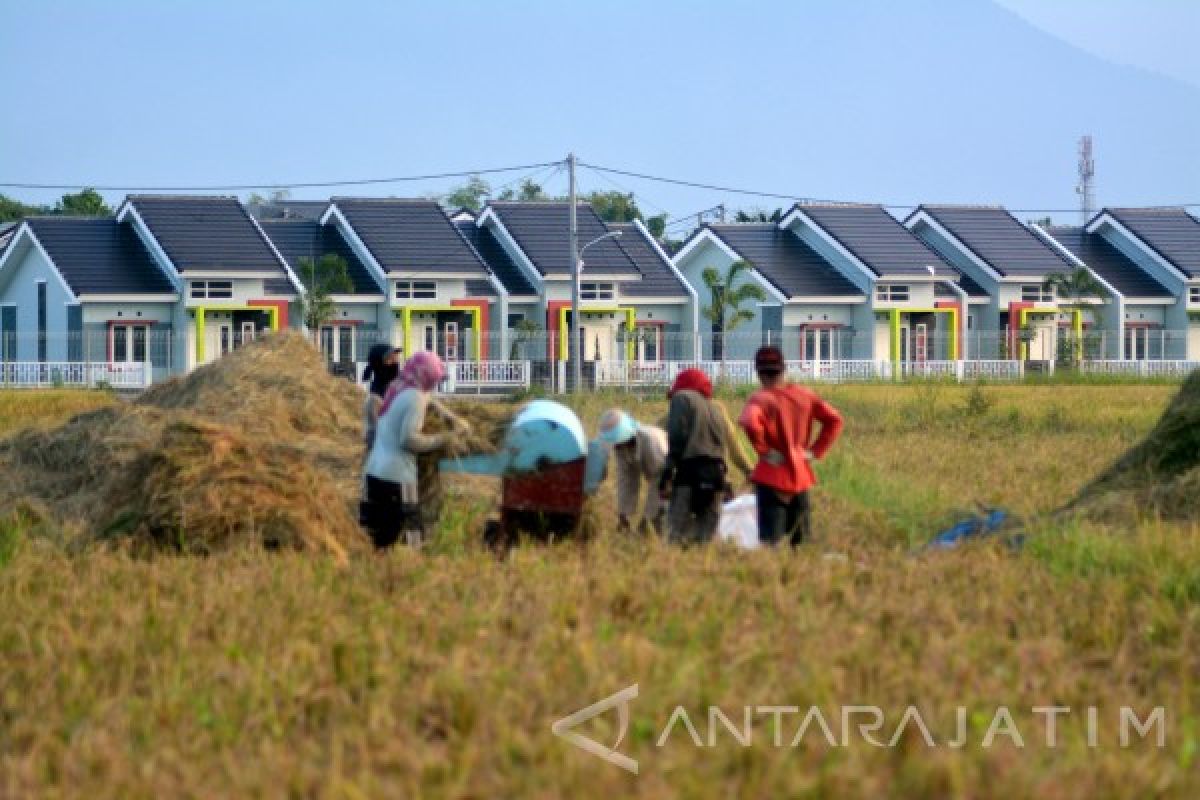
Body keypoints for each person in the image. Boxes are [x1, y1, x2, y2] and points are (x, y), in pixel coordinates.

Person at [361, 351, 468, 548]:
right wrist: (445, 438)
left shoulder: (397, 388)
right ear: (425, 375)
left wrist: (453, 419)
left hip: (374, 472)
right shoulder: (415, 399)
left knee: (380, 538)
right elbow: (409, 440)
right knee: (409, 538)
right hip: (396, 478)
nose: (434, 385)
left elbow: (430, 401)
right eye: (434, 379)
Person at [739, 345, 843, 546]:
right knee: (801, 542)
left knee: (771, 543)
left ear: (759, 373)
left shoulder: (760, 398)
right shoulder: (805, 395)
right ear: (783, 369)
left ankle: (775, 576)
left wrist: (764, 450)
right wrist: (814, 452)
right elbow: (835, 420)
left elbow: (750, 422)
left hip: (772, 476)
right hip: (801, 476)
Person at [658, 368, 754, 545]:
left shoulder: (682, 399)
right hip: (717, 477)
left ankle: (676, 567)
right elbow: (734, 446)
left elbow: (673, 437)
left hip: (688, 475)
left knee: (674, 534)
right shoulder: (717, 409)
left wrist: (667, 472)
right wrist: (749, 470)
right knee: (707, 539)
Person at [597, 409, 668, 535]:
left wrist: (648, 517)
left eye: (618, 442)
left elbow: (661, 480)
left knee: (659, 524)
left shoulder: (651, 440)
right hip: (661, 480)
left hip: (678, 476)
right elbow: (626, 481)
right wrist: (623, 515)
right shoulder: (621, 447)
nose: (616, 447)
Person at [361, 344, 402, 450]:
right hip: (381, 447)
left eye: (395, 357)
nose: (395, 360)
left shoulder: (396, 382)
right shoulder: (376, 395)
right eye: (391, 358)